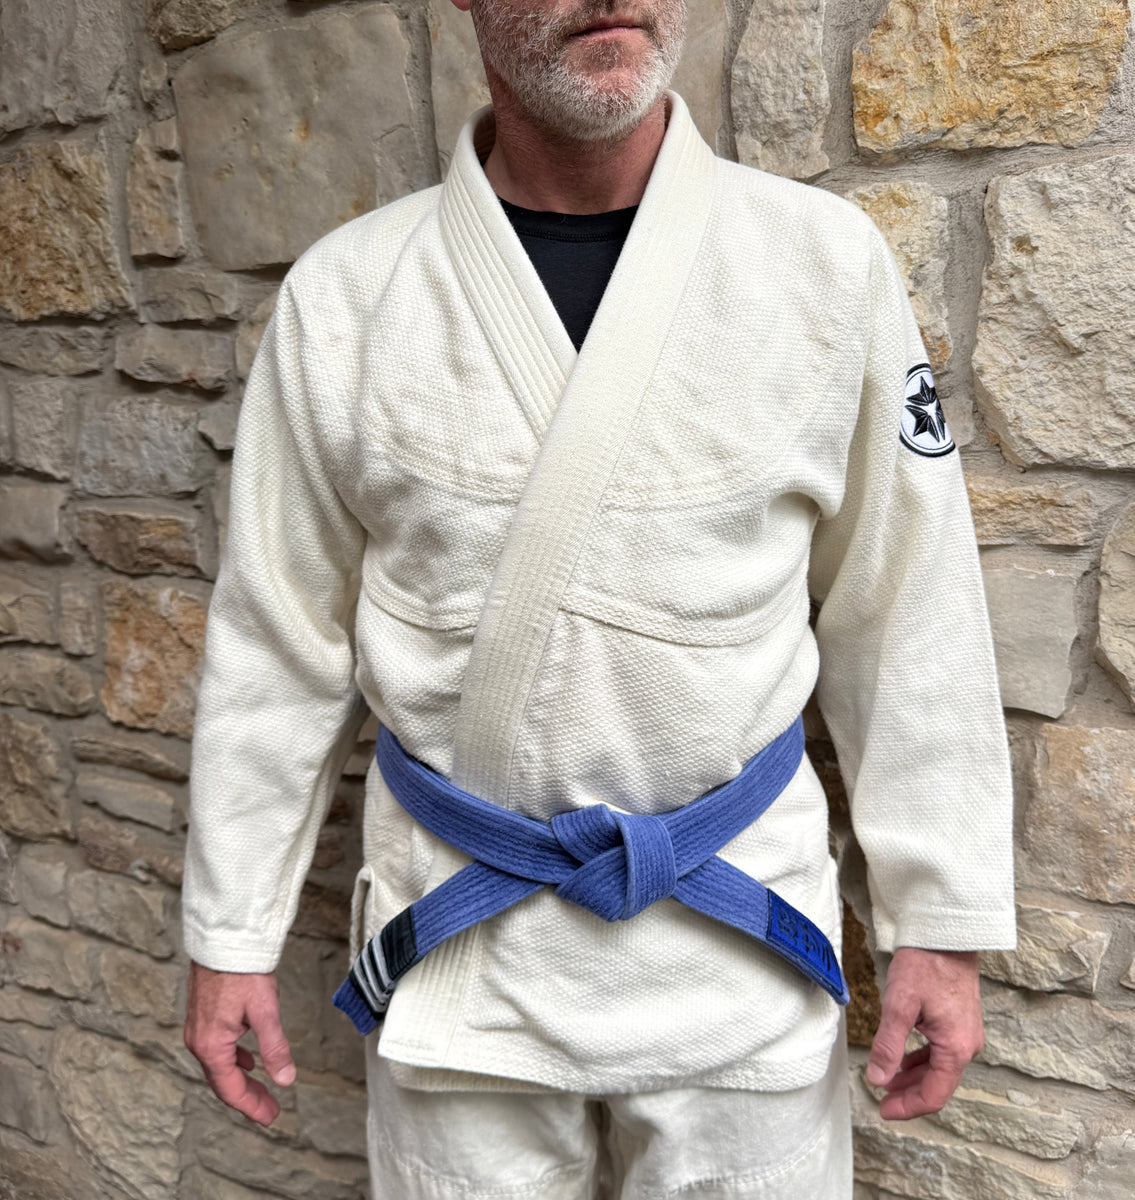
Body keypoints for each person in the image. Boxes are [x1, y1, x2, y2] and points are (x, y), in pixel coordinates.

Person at [182, 0, 1016, 1194]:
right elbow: (277, 642)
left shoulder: (823, 267)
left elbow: (907, 606)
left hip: (740, 959)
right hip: (465, 962)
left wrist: (938, 921)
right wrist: (230, 936)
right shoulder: (349, 299)